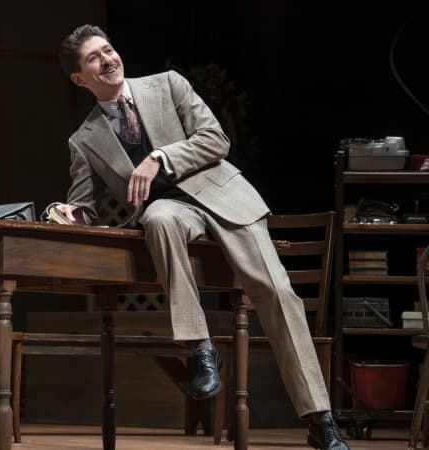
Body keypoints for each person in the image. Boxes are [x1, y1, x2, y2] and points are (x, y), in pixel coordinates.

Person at [54, 25, 348, 450]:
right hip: (172, 209)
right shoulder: (83, 140)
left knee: (277, 292)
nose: (109, 60)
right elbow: (85, 205)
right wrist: (71, 214)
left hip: (222, 196)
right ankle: (200, 348)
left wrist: (159, 157)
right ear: (80, 78)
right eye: (95, 59)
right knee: (158, 219)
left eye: (109, 50)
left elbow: (216, 140)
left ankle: (320, 419)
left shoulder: (167, 85)